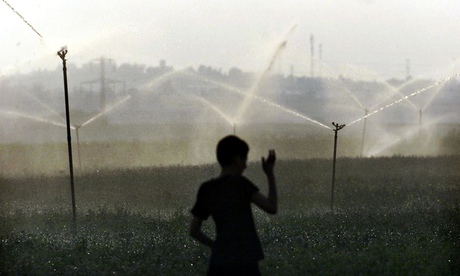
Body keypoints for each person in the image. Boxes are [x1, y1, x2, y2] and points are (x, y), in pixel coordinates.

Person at [189, 135, 277, 276]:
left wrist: (214, 245)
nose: (245, 165)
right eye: (244, 159)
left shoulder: (207, 188)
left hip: (218, 262)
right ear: (236, 159)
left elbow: (194, 231)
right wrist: (270, 174)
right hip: (245, 261)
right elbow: (272, 208)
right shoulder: (241, 184)